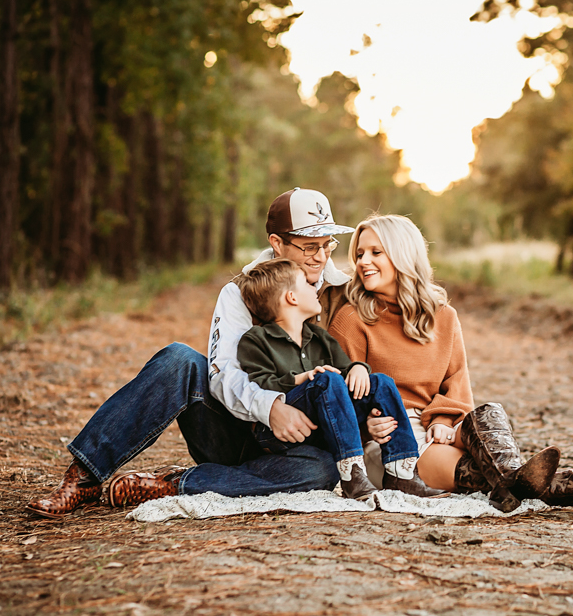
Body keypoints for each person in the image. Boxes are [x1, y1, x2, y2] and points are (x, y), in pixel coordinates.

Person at [26, 188, 357, 518]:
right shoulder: (239, 293)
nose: (321, 256)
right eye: (310, 246)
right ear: (277, 243)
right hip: (235, 433)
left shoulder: (342, 294)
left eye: (328, 244)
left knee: (321, 472)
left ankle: (174, 484)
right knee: (178, 360)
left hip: (297, 448)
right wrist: (269, 408)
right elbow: (224, 372)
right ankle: (84, 477)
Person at [329, 214, 573, 513]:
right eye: (359, 254)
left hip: (439, 422)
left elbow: (457, 380)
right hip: (395, 440)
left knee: (489, 414)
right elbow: (338, 400)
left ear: (403, 254)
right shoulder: (352, 320)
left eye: (375, 252)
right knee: (482, 473)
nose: (363, 261)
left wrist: (442, 419)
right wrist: (366, 424)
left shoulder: (443, 316)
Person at [235, 259, 442, 499]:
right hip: (280, 429)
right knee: (326, 379)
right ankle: (352, 474)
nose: (315, 289)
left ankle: (402, 472)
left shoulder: (319, 336)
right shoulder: (256, 339)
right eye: (308, 284)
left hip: (325, 423)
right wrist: (299, 379)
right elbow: (259, 383)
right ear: (292, 297)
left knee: (381, 382)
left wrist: (358, 368)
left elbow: (344, 369)